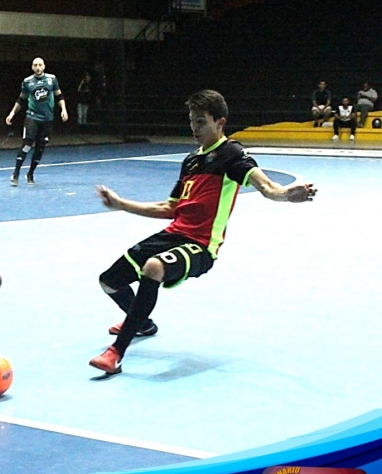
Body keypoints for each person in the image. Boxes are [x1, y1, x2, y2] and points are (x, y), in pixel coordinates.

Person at [89, 89, 317, 375]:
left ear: (220, 123)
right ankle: (142, 322)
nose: (194, 128)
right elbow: (168, 207)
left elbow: (268, 188)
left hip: (201, 246)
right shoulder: (191, 161)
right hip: (173, 234)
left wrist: (286, 194)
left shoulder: (232, 154)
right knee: (109, 281)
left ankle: (116, 353)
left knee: (153, 267)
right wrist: (122, 204)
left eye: (201, 122)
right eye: (192, 121)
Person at [5, 57, 68, 186]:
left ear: (44, 66)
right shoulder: (27, 82)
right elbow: (21, 100)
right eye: (35, 65)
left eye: (40, 65)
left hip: (48, 119)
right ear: (32, 67)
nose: (38, 67)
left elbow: (59, 96)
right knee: (27, 143)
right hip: (32, 117)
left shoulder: (52, 79)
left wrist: (64, 110)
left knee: (40, 147)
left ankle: (30, 174)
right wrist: (12, 113)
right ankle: (16, 173)